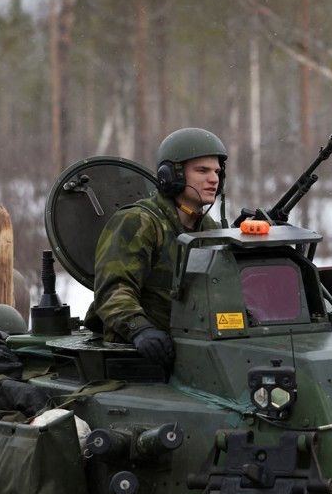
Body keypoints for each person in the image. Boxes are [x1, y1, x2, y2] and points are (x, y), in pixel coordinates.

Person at [84, 128, 226, 366]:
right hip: (134, 353)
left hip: (194, 351)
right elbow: (113, 291)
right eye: (202, 171)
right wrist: (139, 329)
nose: (214, 179)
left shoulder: (211, 230)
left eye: (217, 172)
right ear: (171, 175)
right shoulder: (140, 221)